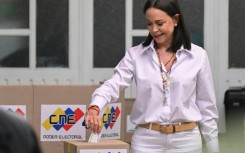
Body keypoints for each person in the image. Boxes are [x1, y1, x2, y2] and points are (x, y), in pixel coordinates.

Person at [85, 0, 219, 152]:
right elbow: (113, 84)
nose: (154, 30)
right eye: (149, 24)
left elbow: (207, 107)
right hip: (146, 141)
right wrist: (95, 107)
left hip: (186, 141)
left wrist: (213, 147)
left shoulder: (197, 56)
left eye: (159, 23)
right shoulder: (136, 55)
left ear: (175, 20)